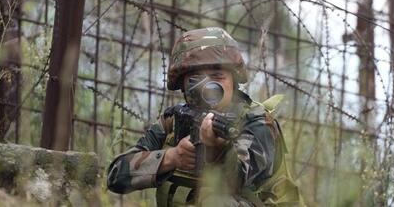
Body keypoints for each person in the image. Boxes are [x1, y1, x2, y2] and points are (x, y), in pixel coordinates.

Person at [107, 27, 301, 206]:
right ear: (182, 84)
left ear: (233, 81)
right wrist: (171, 157)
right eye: (196, 79)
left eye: (217, 76)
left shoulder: (257, 123)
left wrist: (213, 150)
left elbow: (240, 179)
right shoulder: (174, 120)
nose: (208, 87)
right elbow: (116, 177)